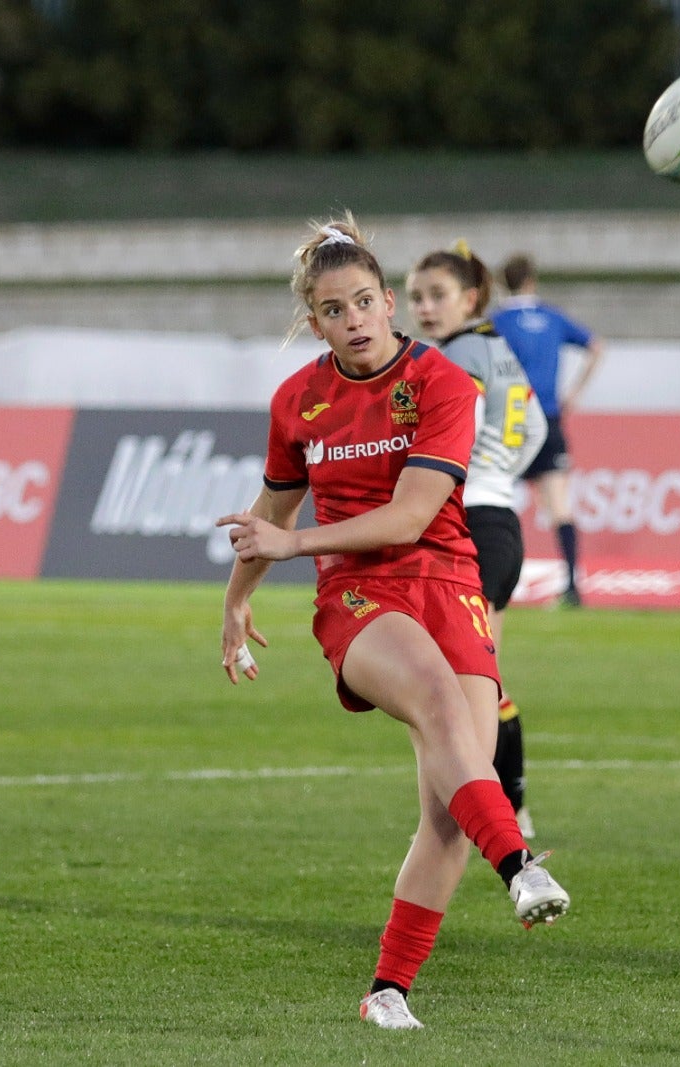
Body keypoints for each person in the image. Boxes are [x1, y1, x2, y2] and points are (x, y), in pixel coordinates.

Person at [218, 214, 569, 1031]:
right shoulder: (297, 399)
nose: (355, 321)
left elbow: (412, 516)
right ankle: (519, 864)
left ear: (387, 301)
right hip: (356, 594)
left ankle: (388, 990)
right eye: (334, 311)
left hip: (448, 578)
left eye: (366, 302)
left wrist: (291, 539)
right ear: (316, 322)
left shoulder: (444, 382)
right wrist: (237, 597)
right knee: (443, 712)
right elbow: (271, 510)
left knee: (451, 808)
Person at [406, 242, 546, 839]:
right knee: (481, 675)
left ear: (470, 298)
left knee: (466, 680)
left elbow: (451, 429)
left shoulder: (457, 355)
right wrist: (503, 471)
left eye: (438, 295)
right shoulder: (499, 349)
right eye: (415, 297)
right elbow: (536, 426)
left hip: (471, 523)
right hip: (500, 518)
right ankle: (509, 808)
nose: (425, 307)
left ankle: (487, 814)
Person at [490, 253, 605, 607]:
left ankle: (492, 582)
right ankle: (571, 585)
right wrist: (575, 393)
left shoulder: (497, 321)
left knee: (494, 498)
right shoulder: (553, 317)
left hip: (514, 419)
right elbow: (597, 347)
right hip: (550, 417)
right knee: (559, 505)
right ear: (531, 281)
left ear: (502, 283)